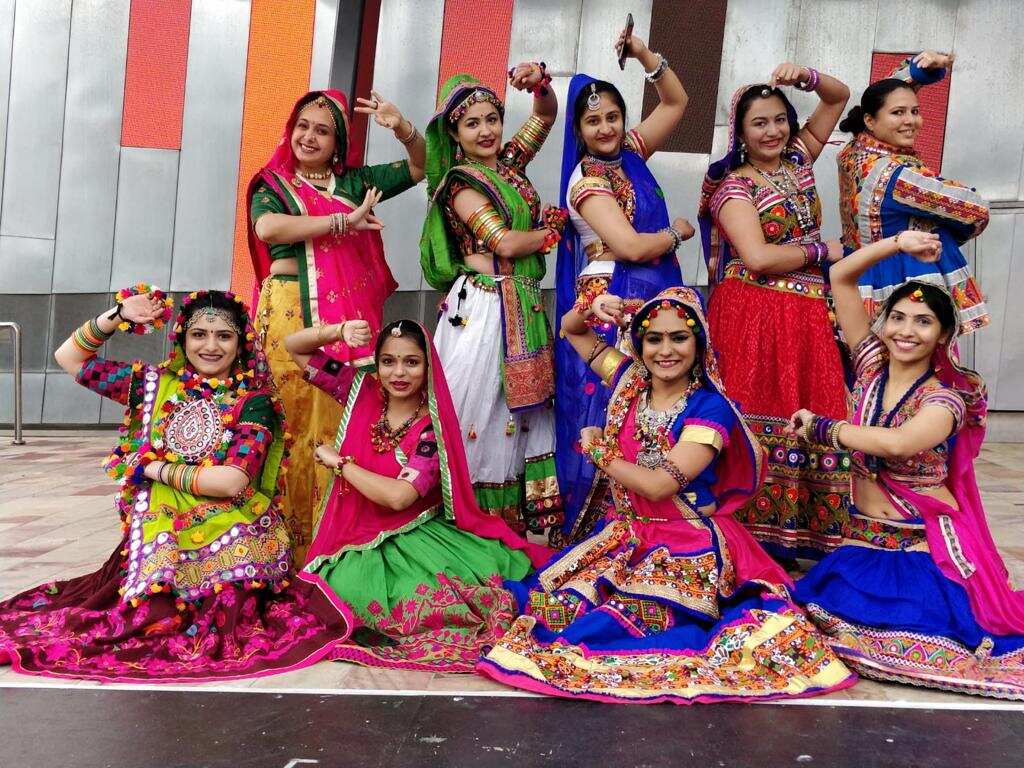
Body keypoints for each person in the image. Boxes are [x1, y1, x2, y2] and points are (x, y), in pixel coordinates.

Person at [478, 287, 855, 704]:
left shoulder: (710, 409)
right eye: (654, 338)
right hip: (626, 537)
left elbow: (660, 485)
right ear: (639, 343)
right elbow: (572, 330)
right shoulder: (627, 381)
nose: (666, 350)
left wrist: (600, 451)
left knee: (631, 627)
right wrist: (593, 307)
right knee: (554, 608)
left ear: (699, 343)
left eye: (679, 337)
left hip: (686, 543)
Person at [0, 289, 352, 681]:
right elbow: (70, 358)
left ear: (241, 343)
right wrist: (117, 314)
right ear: (182, 338)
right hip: (162, 526)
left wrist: (153, 470)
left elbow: (232, 481)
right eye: (199, 334)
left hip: (232, 528)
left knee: (216, 606)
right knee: (146, 603)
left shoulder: (253, 402)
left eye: (224, 336)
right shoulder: (152, 385)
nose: (211, 346)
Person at [792, 230, 1024, 700]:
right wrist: (898, 245)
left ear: (943, 334)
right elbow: (840, 274)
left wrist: (826, 428)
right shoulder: (871, 366)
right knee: (808, 624)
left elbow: (899, 443)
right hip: (863, 542)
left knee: (915, 637)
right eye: (896, 317)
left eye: (922, 322)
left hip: (921, 551)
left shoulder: (946, 397)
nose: (905, 330)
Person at [285, 318, 549, 671]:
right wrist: (338, 332)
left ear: (427, 367)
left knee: (393, 600)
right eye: (389, 361)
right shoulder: (357, 391)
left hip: (411, 536)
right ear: (375, 364)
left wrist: (340, 464)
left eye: (411, 362)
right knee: (331, 595)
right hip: (352, 535)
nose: (399, 372)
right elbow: (294, 347)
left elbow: (399, 498)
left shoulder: (429, 429)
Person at [247, 89, 426, 564]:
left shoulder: (355, 181)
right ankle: (280, 546)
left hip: (348, 316)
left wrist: (403, 128)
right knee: (288, 423)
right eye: (303, 125)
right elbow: (269, 230)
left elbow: (419, 168)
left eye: (322, 130)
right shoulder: (274, 184)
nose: (309, 136)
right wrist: (343, 224)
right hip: (289, 311)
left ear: (338, 141)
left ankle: (335, 546)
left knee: (341, 421)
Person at [698, 64, 851, 559]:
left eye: (780, 119)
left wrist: (805, 76)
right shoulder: (734, 188)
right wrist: (825, 251)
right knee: (759, 416)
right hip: (755, 316)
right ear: (740, 133)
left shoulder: (798, 163)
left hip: (805, 314)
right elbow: (759, 258)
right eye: (759, 123)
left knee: (809, 414)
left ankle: (801, 534)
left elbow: (838, 98)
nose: (773, 131)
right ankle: (747, 539)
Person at [553, 31, 694, 547]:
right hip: (613, 296)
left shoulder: (631, 151)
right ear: (579, 130)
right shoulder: (586, 182)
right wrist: (678, 232)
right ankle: (607, 523)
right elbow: (631, 247)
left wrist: (643, 56)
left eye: (613, 116)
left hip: (656, 287)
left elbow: (678, 101)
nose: (607, 127)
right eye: (594, 120)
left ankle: (661, 511)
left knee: (662, 397)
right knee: (618, 397)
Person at [420, 68, 564, 534]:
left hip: (520, 304)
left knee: (514, 417)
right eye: (472, 124)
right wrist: (551, 233)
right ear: (455, 134)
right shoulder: (461, 184)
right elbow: (501, 242)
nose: (486, 131)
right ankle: (463, 523)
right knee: (474, 412)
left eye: (492, 119)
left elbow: (545, 114)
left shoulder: (509, 164)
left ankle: (507, 527)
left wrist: (540, 82)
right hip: (481, 311)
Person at [837, 51, 989, 334]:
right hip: (905, 283)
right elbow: (976, 212)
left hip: (860, 277)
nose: (911, 121)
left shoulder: (855, 149)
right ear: (870, 120)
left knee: (869, 370)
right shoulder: (899, 178)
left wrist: (919, 70)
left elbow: (882, 93)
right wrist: (938, 229)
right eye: (899, 113)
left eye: (915, 111)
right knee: (922, 369)